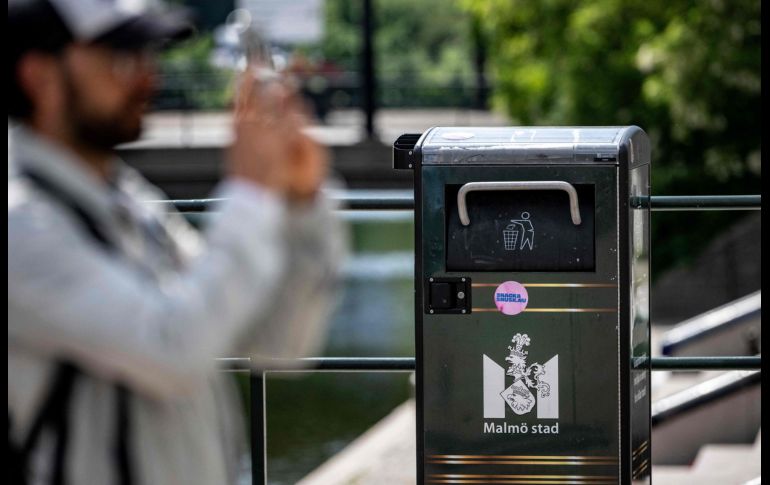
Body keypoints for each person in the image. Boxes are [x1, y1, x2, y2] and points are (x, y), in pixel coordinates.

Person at [7, 1, 346, 484]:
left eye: (149, 55)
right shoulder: (20, 226)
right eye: (121, 57)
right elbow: (173, 349)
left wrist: (302, 204)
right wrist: (249, 193)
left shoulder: (129, 201)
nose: (148, 77)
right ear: (39, 76)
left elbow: (278, 344)